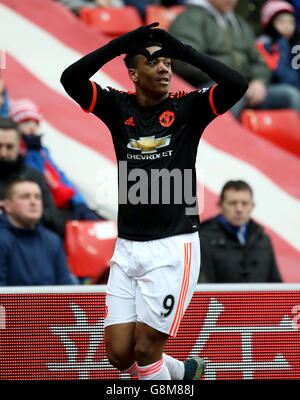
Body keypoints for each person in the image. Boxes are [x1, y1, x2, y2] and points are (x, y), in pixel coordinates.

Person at [60, 23, 248, 380]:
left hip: (174, 246)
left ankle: (168, 373)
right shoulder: (117, 107)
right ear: (133, 73)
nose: (164, 68)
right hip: (128, 246)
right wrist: (118, 45)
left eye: (167, 63)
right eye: (154, 62)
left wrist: (184, 50)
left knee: (146, 352)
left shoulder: (189, 108)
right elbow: (71, 79)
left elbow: (237, 84)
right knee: (119, 355)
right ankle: (182, 371)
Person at [169, 0, 300, 118]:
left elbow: (259, 61)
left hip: (245, 90)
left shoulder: (240, 24)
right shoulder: (190, 18)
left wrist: (259, 81)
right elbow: (185, 61)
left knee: (290, 95)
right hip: (206, 88)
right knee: (228, 94)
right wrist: (231, 80)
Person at [9, 98, 103, 221]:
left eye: (35, 122)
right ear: (16, 126)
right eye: (26, 122)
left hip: (64, 203)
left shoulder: (42, 151)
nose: (31, 126)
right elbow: (34, 177)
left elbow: (61, 177)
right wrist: (32, 152)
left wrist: (79, 202)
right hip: (46, 208)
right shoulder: (17, 153)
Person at [199, 180, 282, 283]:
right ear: (220, 205)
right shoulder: (203, 239)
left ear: (252, 206)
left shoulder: (263, 240)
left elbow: (276, 286)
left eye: (244, 203)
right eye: (232, 203)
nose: (239, 209)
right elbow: (204, 289)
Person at [0, 178, 75, 286]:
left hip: (51, 303)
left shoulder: (53, 240)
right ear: (7, 205)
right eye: (25, 197)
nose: (33, 202)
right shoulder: (2, 239)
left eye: (38, 197)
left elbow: (66, 289)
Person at [0, 117, 65, 237]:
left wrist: (23, 213)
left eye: (9, 147)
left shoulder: (34, 176)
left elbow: (55, 221)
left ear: (19, 145)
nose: (3, 153)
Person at [256, 0, 300, 94]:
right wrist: (282, 45)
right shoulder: (263, 45)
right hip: (277, 90)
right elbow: (279, 73)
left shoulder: (295, 45)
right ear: (270, 23)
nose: (287, 26)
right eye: (281, 22)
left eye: (291, 22)